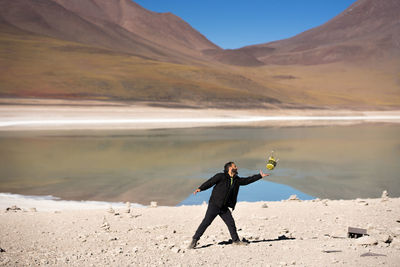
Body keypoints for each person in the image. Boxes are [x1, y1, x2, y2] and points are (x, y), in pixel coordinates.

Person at [188, 161, 269, 249]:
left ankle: (236, 241)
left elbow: (246, 181)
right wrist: (200, 188)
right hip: (214, 205)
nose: (237, 167)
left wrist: (259, 176)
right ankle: (194, 241)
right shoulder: (220, 176)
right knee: (206, 223)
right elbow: (210, 182)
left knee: (231, 223)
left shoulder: (236, 179)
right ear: (230, 168)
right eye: (235, 166)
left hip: (224, 207)